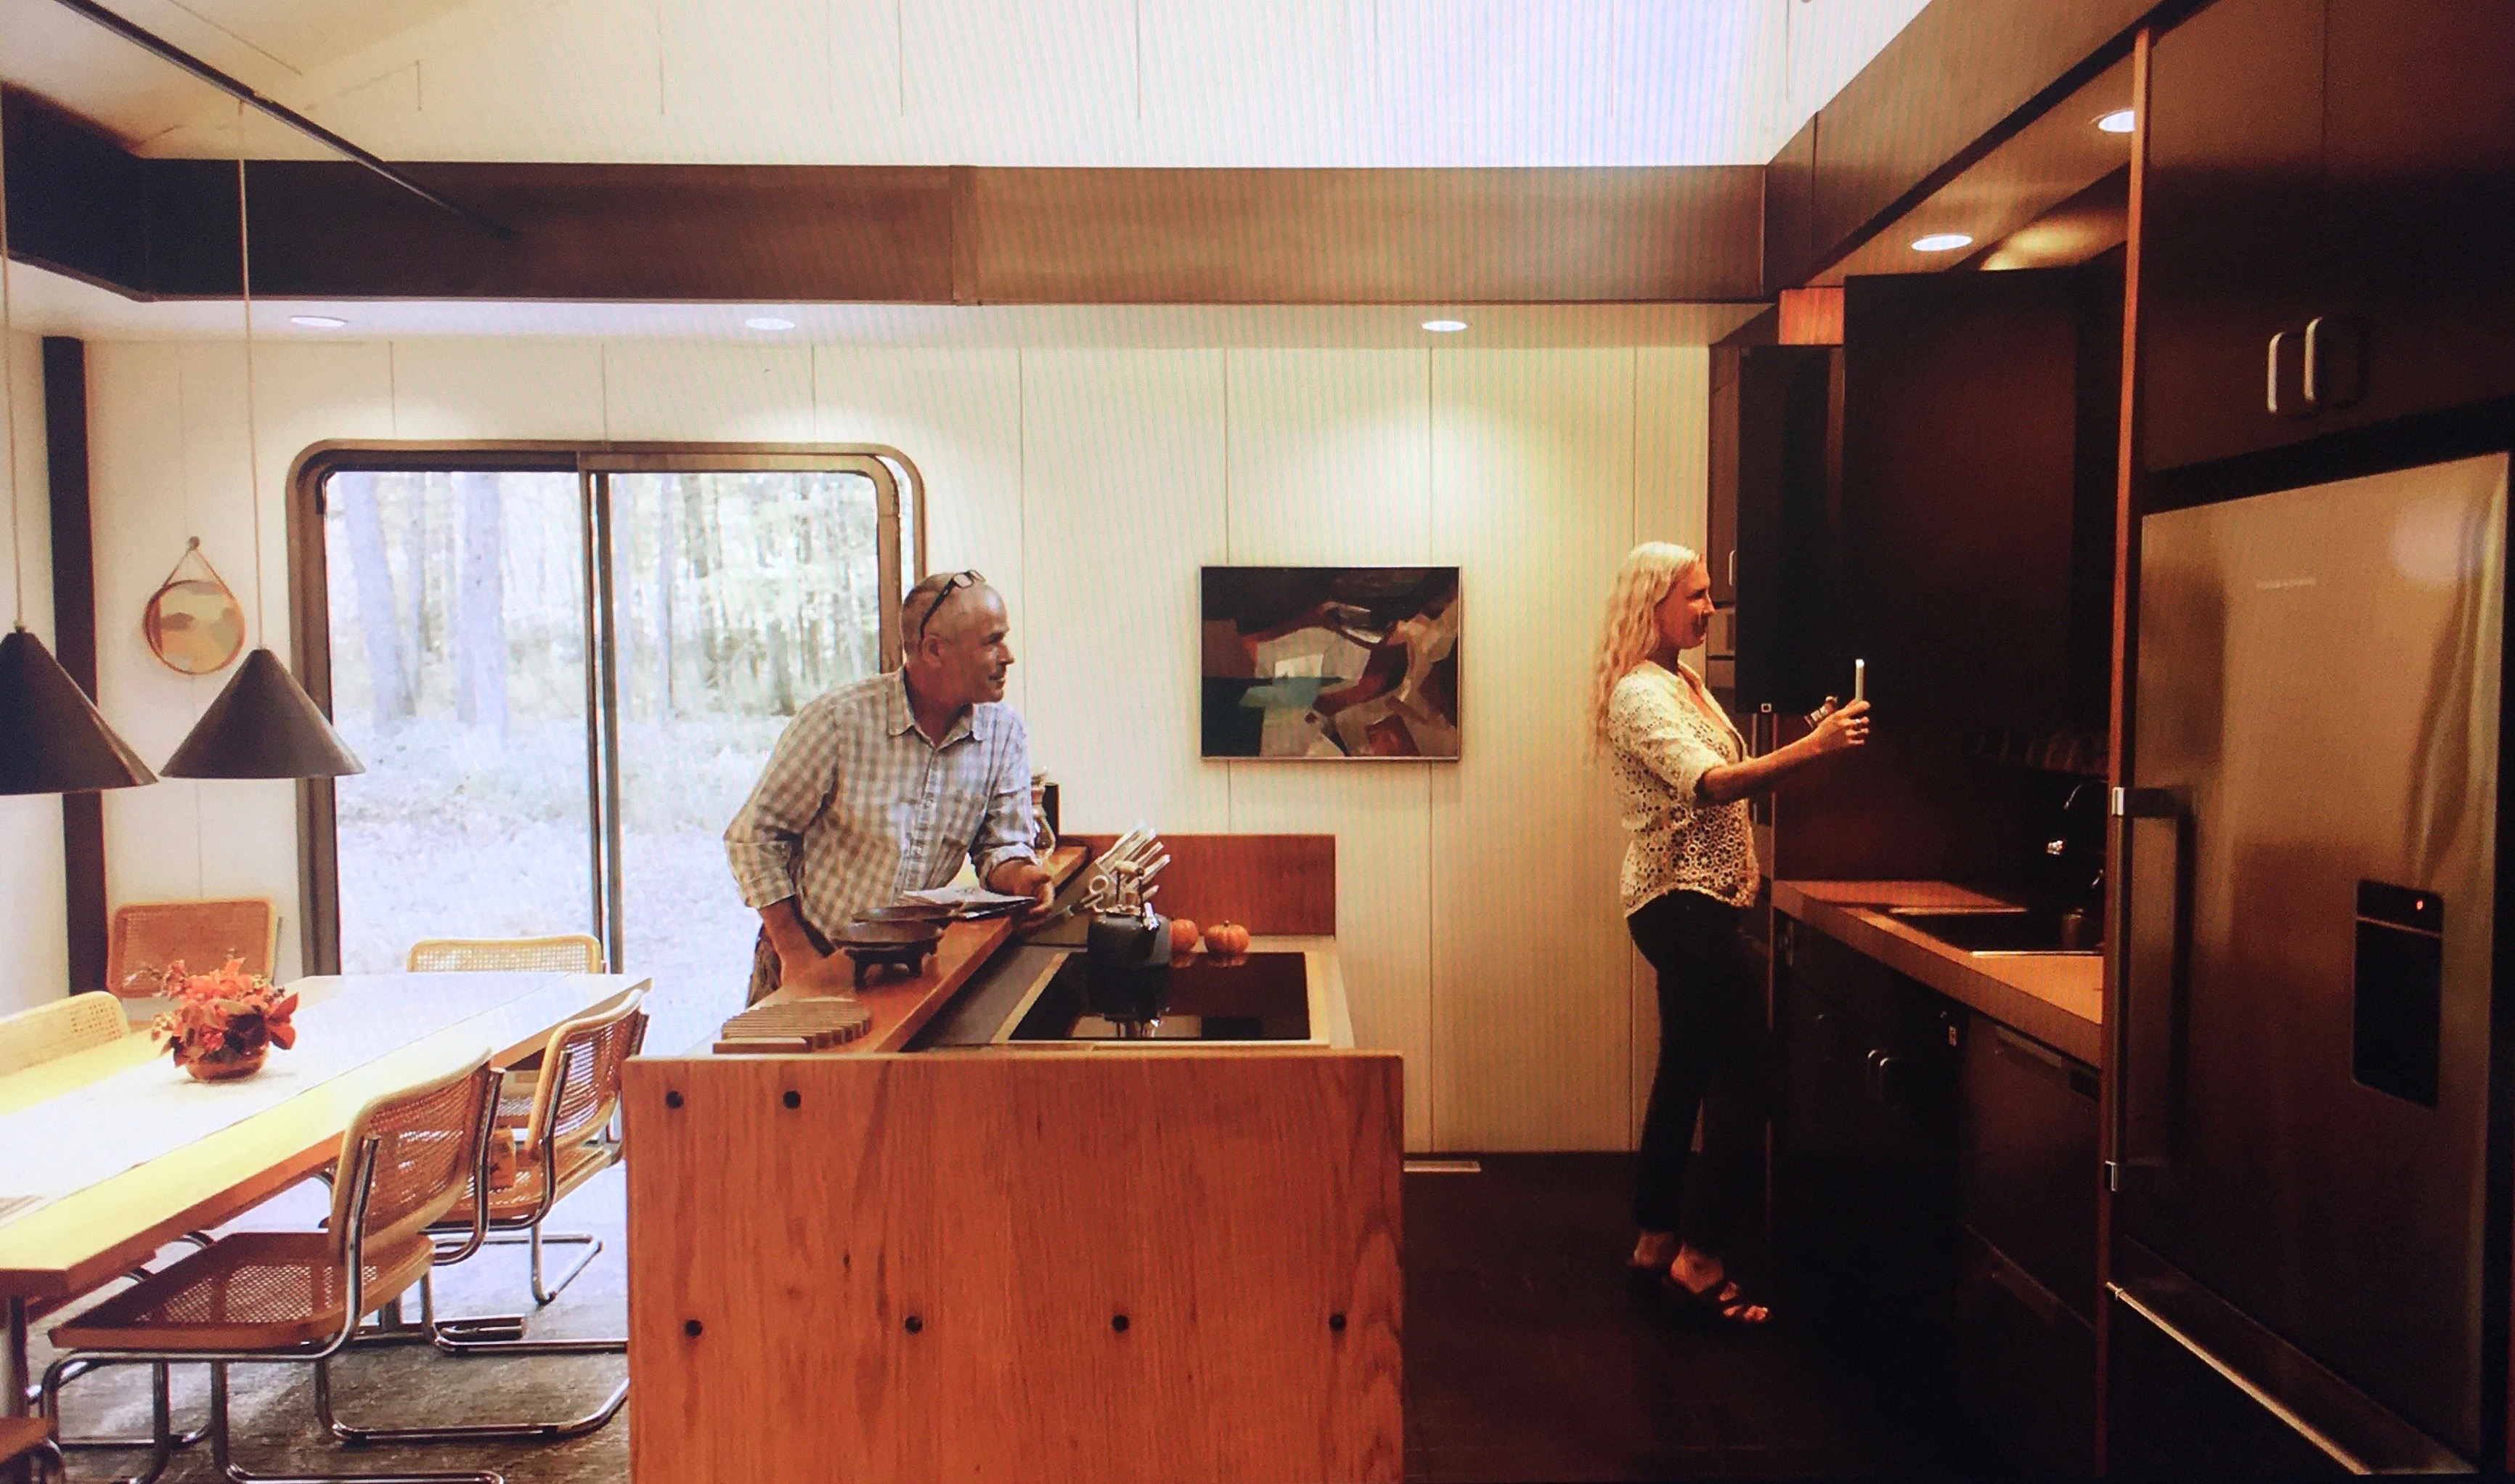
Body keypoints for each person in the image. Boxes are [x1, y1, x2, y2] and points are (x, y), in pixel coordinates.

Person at [1591, 542, 1870, 1326]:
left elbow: (1733, 766)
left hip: (1698, 903)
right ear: (1651, 603)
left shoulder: (1682, 682)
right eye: (1695, 595)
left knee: (1685, 1068)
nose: (1709, 609)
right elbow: (1710, 783)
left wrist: (1814, 735)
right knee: (1754, 1077)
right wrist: (1813, 747)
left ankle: (1656, 1241)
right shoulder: (1639, 695)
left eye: (1710, 594)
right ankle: (1701, 1257)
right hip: (1678, 904)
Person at [725, 570, 1056, 1004]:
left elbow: (1001, 847)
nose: (1007, 656)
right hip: (810, 955)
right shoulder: (838, 721)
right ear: (934, 649)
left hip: (907, 972)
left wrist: (1025, 879)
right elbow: (753, 840)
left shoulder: (1004, 731)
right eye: (992, 642)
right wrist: (794, 951)